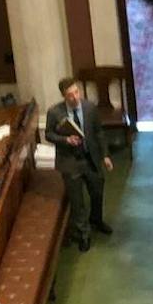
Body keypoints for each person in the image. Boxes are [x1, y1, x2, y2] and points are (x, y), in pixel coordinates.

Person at [47, 77, 113, 253]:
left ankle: (97, 220)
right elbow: (48, 135)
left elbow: (98, 133)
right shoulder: (54, 113)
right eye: (70, 95)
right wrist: (65, 139)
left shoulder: (90, 108)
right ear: (64, 96)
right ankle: (83, 233)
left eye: (77, 93)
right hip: (70, 161)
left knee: (97, 190)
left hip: (90, 158)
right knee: (77, 200)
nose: (75, 97)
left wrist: (105, 155)